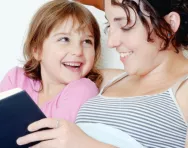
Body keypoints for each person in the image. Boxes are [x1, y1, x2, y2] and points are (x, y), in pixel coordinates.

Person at [16, 0, 188, 147]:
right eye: (109, 25)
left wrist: (87, 144)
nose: (111, 42)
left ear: (170, 24)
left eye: (125, 25)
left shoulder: (183, 89)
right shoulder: (107, 79)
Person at [0, 0, 103, 123]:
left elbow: (50, 140)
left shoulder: (83, 89)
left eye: (87, 41)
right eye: (64, 39)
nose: (78, 51)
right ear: (37, 50)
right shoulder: (16, 78)